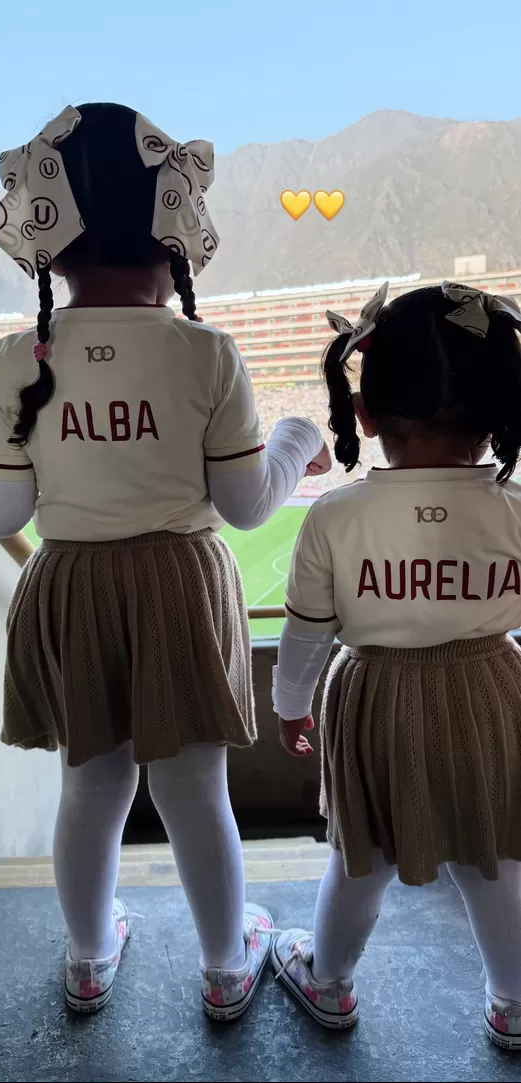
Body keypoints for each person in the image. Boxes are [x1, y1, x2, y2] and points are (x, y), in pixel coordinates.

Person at [0, 102, 330, 1020]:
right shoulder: (206, 352)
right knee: (196, 786)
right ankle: (228, 963)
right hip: (179, 587)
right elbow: (243, 504)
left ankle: (86, 955)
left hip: (70, 586)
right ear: (176, 238)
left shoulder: (11, 359)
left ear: (53, 244)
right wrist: (297, 431)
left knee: (90, 784)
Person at [271, 280, 521, 1051]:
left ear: (367, 414)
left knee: (360, 858)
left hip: (372, 698)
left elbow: (305, 634)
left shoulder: (333, 515)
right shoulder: (514, 510)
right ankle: (514, 1004)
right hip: (492, 694)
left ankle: (328, 982)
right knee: (495, 857)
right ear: (495, 415)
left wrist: (290, 706)